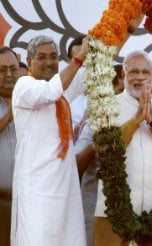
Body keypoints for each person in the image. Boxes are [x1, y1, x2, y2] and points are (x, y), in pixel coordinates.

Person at [93, 50, 152, 246]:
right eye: (134, 72)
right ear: (123, 75)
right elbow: (103, 149)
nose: (140, 77)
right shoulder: (108, 106)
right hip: (113, 213)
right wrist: (136, 120)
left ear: (151, 76)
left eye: (145, 72)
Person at [11, 35, 89, 246]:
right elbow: (48, 93)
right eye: (42, 57)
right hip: (37, 192)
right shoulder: (24, 86)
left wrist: (124, 30)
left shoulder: (62, 89)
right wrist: (78, 58)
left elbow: (93, 72)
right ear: (29, 61)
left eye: (53, 57)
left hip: (66, 190)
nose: (49, 62)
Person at [74, 63, 125, 246]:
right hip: (96, 215)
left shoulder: (143, 121)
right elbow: (74, 168)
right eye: (120, 90)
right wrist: (95, 146)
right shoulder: (93, 123)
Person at [0, 46, 20, 246]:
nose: (9, 75)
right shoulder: (18, 107)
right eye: (2, 70)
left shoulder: (30, 102)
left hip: (26, 205)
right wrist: (10, 114)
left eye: (13, 69)